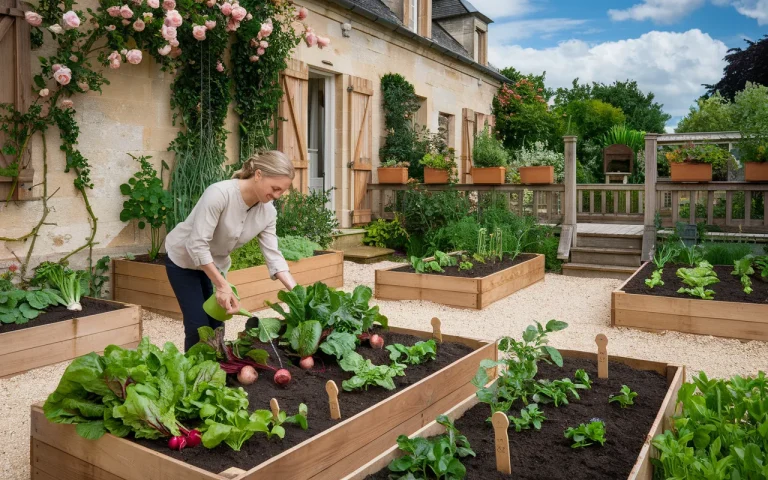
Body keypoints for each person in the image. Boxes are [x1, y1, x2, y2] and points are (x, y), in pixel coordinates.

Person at [164, 150, 298, 351]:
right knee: (197, 325)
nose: (277, 196)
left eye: (282, 192)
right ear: (259, 174)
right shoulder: (219, 194)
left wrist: (298, 295)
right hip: (183, 261)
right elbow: (197, 245)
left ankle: (215, 371)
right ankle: (193, 374)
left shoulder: (268, 212)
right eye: (275, 188)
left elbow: (274, 256)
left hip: (215, 265)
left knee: (217, 323)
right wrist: (222, 286)